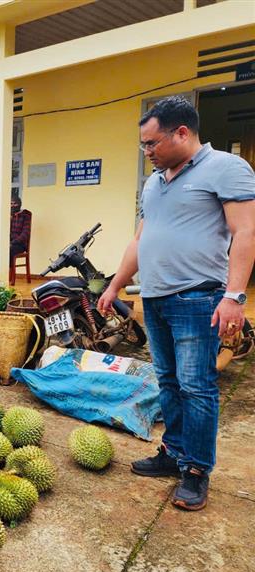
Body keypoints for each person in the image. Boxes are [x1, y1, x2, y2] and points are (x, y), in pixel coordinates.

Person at [98, 96, 255, 511]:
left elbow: (246, 232)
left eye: (152, 144)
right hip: (156, 298)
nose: (147, 152)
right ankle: (174, 453)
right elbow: (139, 241)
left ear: (181, 132)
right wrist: (114, 287)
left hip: (198, 298)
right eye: (143, 146)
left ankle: (197, 470)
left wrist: (234, 296)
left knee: (196, 387)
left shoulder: (226, 168)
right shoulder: (154, 182)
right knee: (167, 382)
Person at [9, 193, 32, 260]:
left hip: (20, 245)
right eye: (11, 204)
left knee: (9, 251)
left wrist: (13, 242)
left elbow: (25, 234)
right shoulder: (10, 216)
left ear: (19, 204)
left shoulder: (25, 215)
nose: (13, 206)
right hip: (10, 243)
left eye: (15, 204)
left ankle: (9, 269)